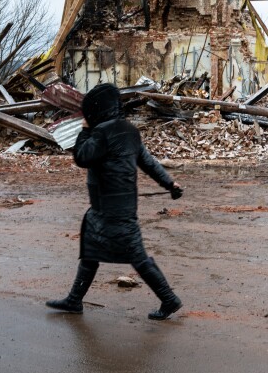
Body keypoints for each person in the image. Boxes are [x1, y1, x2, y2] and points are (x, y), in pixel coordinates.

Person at [46, 82, 184, 320]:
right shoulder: (129, 130)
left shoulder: (101, 132)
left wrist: (85, 129)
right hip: (106, 208)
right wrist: (169, 183)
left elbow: (82, 157)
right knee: (90, 251)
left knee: (137, 257)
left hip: (113, 210)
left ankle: (169, 299)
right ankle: (75, 299)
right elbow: (148, 162)